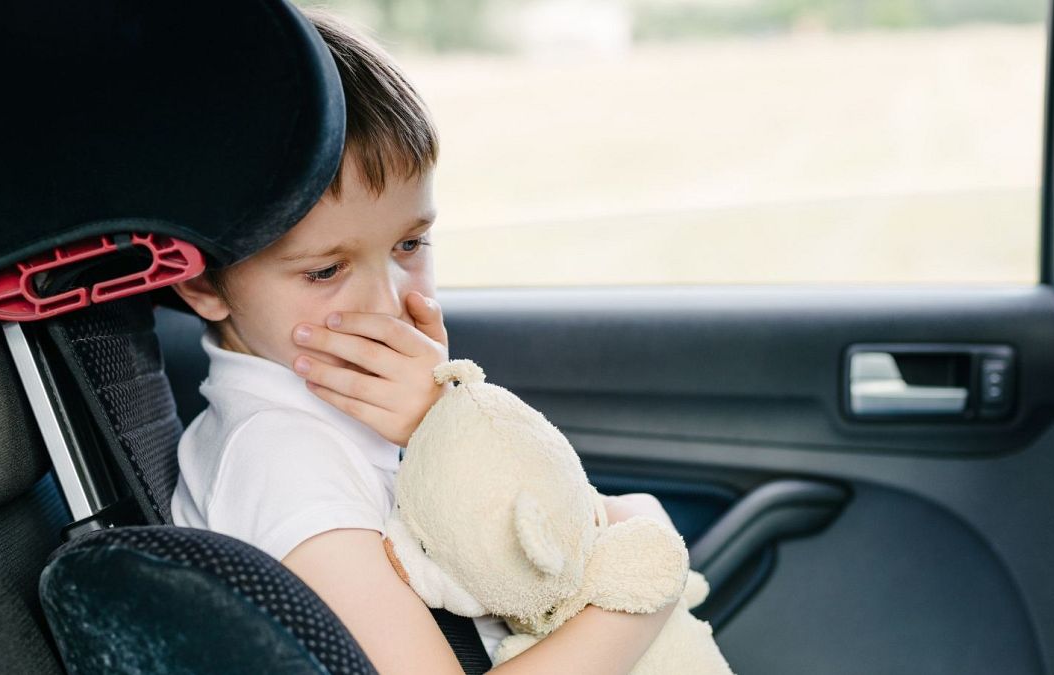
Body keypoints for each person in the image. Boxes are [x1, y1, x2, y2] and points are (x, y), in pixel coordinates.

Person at [171, 9, 682, 674]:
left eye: (410, 244)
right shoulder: (280, 460)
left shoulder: (366, 416)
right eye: (325, 270)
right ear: (204, 284)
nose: (388, 303)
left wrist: (446, 424)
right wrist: (644, 586)